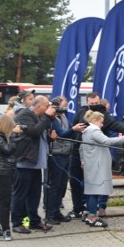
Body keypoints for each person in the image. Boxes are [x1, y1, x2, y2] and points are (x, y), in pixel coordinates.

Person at [68, 92, 124, 219]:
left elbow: (116, 125)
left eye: (97, 103)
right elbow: (106, 141)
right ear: (87, 103)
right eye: (92, 104)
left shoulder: (103, 115)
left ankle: (95, 209)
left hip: (93, 156)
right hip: (84, 155)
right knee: (82, 184)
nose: (95, 106)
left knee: (94, 186)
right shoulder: (85, 117)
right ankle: (83, 210)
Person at [79, 110, 124, 228]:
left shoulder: (86, 131)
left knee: (90, 191)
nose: (102, 125)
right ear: (94, 121)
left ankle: (88, 213)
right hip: (97, 166)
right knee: (95, 191)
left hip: (91, 165)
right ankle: (93, 217)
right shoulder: (94, 130)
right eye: (101, 122)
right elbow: (107, 141)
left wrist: (83, 160)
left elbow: (81, 148)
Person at [11, 95, 56, 234]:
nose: (48, 109)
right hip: (25, 162)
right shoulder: (24, 114)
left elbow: (39, 136)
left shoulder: (38, 117)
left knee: (34, 195)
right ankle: (17, 222)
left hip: (35, 163)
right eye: (46, 106)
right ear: (38, 106)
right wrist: (47, 117)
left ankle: (34, 221)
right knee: (20, 194)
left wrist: (50, 137)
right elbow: (34, 132)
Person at [44, 96, 86, 224]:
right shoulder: (53, 119)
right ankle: (50, 214)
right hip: (56, 154)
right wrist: (74, 129)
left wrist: (78, 130)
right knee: (55, 185)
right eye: (64, 105)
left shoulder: (63, 117)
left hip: (66, 153)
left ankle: (57, 212)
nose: (66, 107)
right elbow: (62, 133)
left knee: (62, 185)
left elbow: (68, 133)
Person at [0, 114, 20, 240]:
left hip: (4, 171)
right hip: (2, 173)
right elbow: (7, 150)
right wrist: (15, 135)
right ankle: (6, 230)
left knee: (0, 200)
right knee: (5, 202)